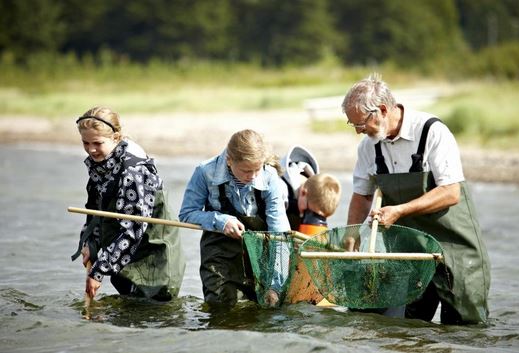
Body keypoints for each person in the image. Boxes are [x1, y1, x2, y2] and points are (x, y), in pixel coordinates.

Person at [341, 73, 490, 324]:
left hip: (456, 250)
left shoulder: (432, 131)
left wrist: (399, 210)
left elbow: (451, 192)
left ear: (383, 109)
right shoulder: (369, 146)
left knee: (465, 331)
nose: (358, 131)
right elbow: (362, 194)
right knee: (408, 330)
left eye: (361, 123)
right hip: (409, 254)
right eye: (352, 125)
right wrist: (351, 233)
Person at [71, 106, 185, 301]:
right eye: (85, 142)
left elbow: (133, 230)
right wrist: (91, 241)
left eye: (97, 143)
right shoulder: (102, 164)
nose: (91, 149)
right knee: (127, 314)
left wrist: (98, 272)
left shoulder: (133, 172)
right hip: (123, 255)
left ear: (116, 138)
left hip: (153, 254)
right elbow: (96, 210)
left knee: (154, 313)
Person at [178, 129, 290, 309]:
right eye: (246, 170)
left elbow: (280, 236)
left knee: (262, 307)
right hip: (218, 249)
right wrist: (220, 221)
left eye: (257, 169)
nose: (252, 176)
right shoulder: (204, 172)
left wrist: (275, 285)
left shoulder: (270, 178)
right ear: (229, 161)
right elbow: (187, 213)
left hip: (259, 250)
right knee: (219, 306)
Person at [280, 146, 342, 305]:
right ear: (303, 193)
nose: (310, 217)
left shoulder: (319, 187)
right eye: (310, 213)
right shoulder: (279, 188)